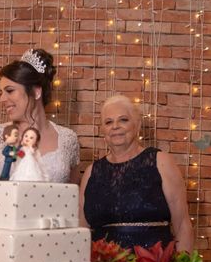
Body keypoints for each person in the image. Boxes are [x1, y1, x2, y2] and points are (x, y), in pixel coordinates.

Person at [79, 95, 194, 252]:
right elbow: (81, 231)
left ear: (137, 125)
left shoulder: (161, 161)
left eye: (123, 120)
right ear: (103, 130)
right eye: (108, 122)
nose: (115, 126)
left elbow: (182, 225)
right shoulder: (91, 172)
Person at [0, 48, 80, 184]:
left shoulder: (68, 138)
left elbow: (72, 197)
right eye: (2, 92)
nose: (1, 99)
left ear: (36, 92)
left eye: (9, 91)